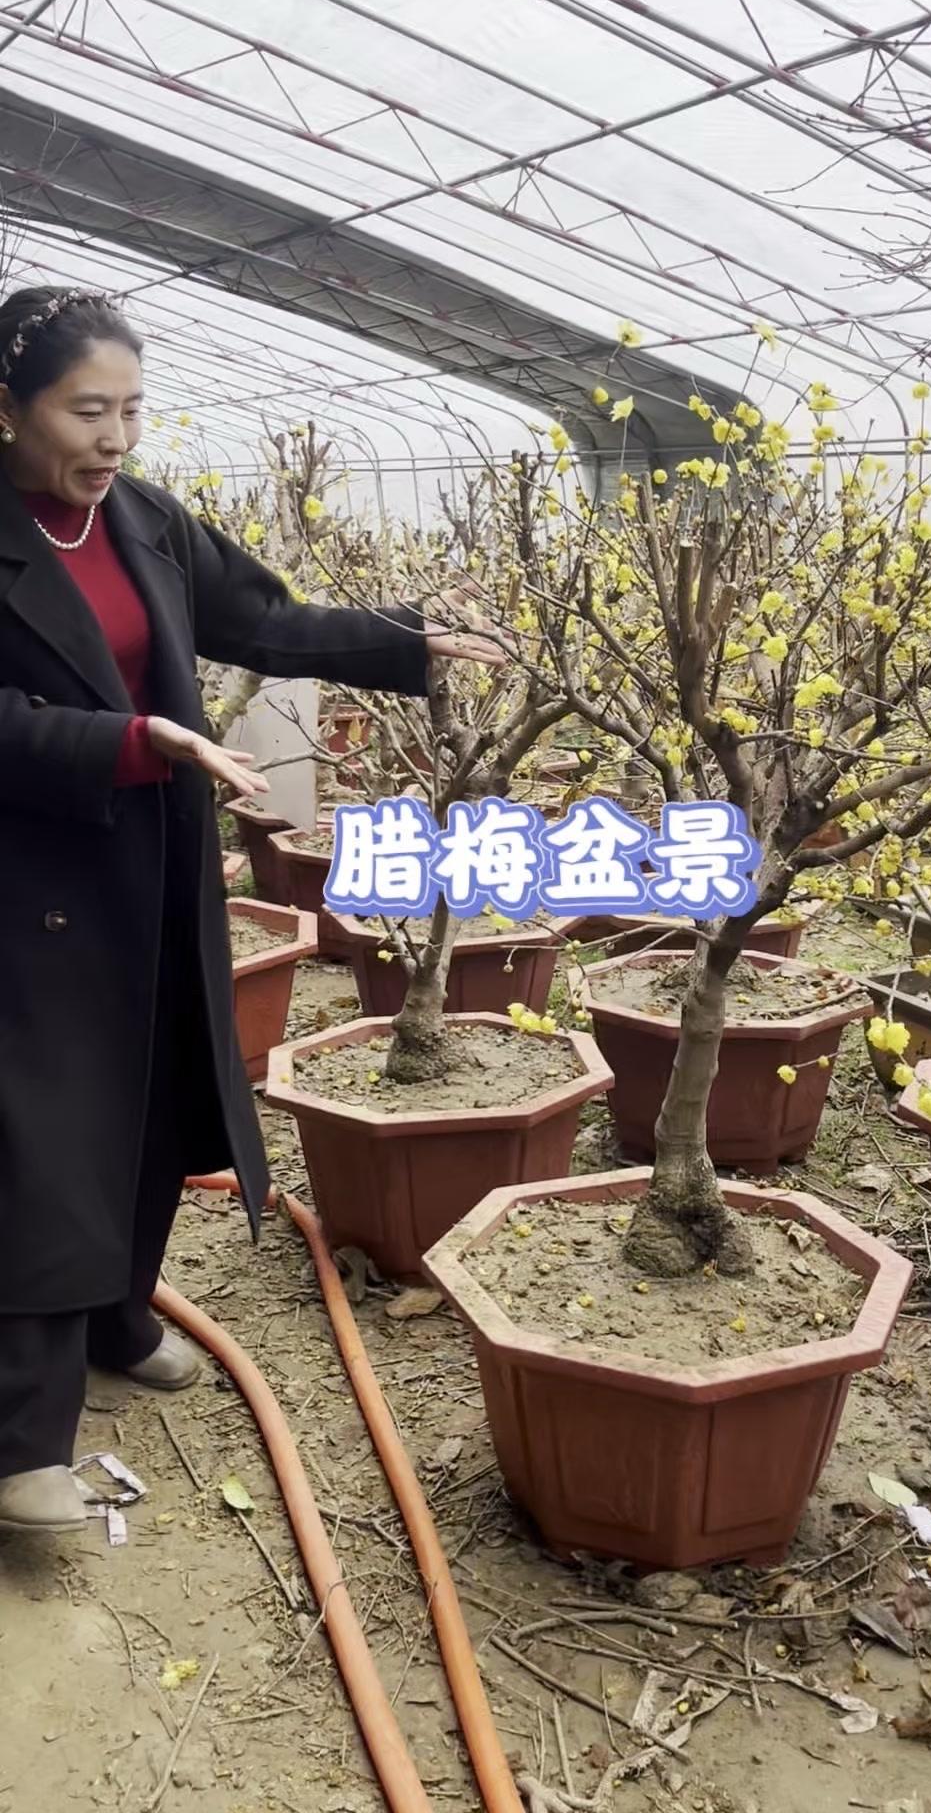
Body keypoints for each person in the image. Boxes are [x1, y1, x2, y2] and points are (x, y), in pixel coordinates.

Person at [0, 284, 503, 1534]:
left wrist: (407, 639)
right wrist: (121, 741)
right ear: (6, 412)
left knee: (159, 1092)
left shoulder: (146, 523)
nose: (114, 439)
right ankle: (21, 1439)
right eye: (86, 411)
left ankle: (125, 1322)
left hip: (156, 858)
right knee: (47, 1139)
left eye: (130, 410)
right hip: (32, 881)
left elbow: (264, 618)